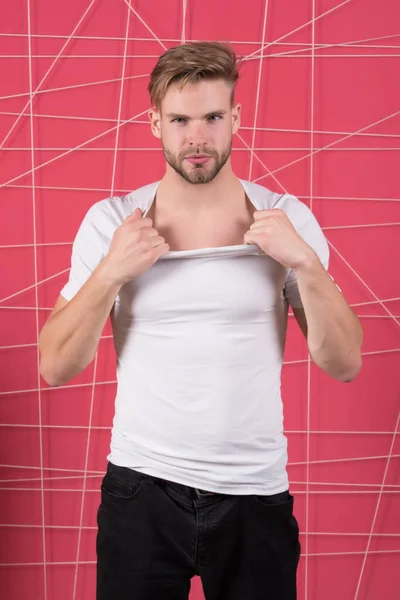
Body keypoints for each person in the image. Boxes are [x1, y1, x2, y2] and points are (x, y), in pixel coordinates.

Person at [39, 41, 363, 600]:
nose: (197, 137)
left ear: (235, 117)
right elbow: (54, 366)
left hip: (255, 494)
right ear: (155, 124)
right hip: (141, 491)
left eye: (213, 117)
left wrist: (304, 263)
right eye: (180, 120)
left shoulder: (285, 220)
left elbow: (345, 362)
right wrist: (112, 271)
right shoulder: (114, 222)